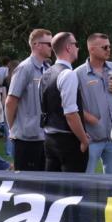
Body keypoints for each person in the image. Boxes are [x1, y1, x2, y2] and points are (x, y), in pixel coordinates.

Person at [41, 32, 91, 172]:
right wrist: (83, 139)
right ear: (69, 47)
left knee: (52, 184)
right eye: (76, 44)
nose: (78, 48)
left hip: (49, 138)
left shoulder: (46, 74)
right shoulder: (68, 74)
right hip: (68, 141)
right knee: (73, 185)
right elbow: (70, 113)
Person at [76, 33, 112, 174]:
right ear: (92, 49)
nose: (108, 50)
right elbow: (72, 106)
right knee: (86, 181)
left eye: (109, 46)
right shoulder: (78, 74)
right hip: (92, 138)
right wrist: (90, 118)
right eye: (105, 47)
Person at [5, 28, 53, 171]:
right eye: (49, 44)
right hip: (26, 139)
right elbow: (10, 102)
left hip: (44, 137)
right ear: (36, 45)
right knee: (26, 182)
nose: (52, 47)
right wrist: (14, 129)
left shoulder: (47, 68)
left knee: (44, 181)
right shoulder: (24, 68)